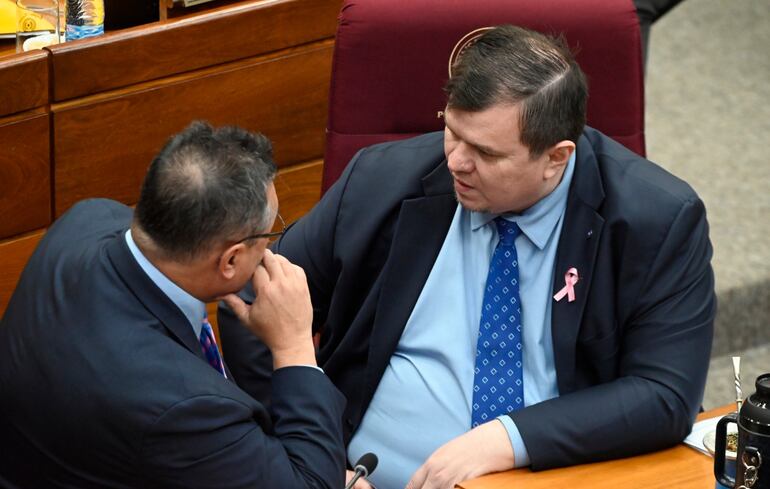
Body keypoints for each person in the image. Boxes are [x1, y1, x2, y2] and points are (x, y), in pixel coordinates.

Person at [219, 25, 716, 489]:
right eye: (453, 131)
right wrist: (311, 458)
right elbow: (251, 293)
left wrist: (506, 439)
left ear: (556, 158)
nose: (455, 161)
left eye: (486, 152)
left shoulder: (657, 220)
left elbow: (663, 393)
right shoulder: (382, 180)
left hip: (550, 476)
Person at [0, 122, 346, 488]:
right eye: (269, 234)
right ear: (229, 261)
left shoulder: (86, 218)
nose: (271, 248)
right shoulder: (182, 406)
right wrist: (294, 347)